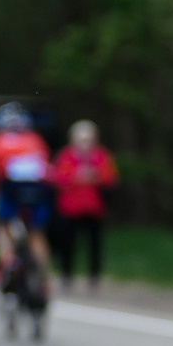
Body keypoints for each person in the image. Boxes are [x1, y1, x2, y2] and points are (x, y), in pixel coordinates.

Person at [0, 103, 54, 278]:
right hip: (38, 190)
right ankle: (43, 276)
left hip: (10, 189)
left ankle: (8, 259)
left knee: (2, 226)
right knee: (36, 232)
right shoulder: (36, 140)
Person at [49, 120, 120, 292]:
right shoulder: (66, 155)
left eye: (88, 139)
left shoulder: (101, 155)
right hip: (70, 208)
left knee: (94, 244)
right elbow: (56, 178)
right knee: (67, 243)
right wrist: (75, 177)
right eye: (81, 139)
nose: (85, 143)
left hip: (94, 208)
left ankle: (94, 276)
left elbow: (111, 178)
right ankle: (66, 274)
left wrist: (96, 177)